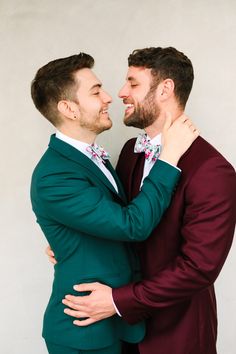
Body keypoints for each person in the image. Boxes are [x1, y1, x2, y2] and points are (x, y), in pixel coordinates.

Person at [61, 47, 236, 354]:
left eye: (133, 83)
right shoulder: (131, 151)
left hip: (177, 336)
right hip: (123, 333)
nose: (121, 93)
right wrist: (75, 240)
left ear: (165, 88)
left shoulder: (213, 170)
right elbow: (119, 223)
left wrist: (117, 301)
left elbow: (198, 268)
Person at [30, 52, 198, 354]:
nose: (110, 97)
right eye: (96, 92)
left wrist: (71, 245)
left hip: (121, 324)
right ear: (68, 108)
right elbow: (131, 224)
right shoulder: (54, 176)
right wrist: (169, 157)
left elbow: (106, 219)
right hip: (83, 334)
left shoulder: (95, 156)